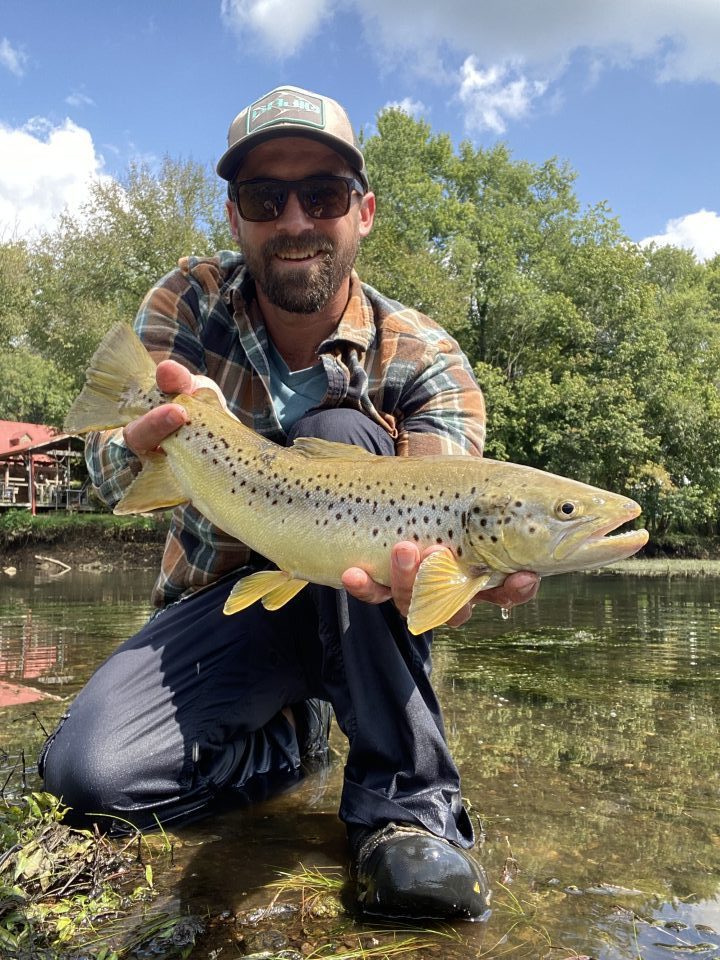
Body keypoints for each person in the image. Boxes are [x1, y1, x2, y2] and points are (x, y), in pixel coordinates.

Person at [39, 85, 539, 920]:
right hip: (224, 608)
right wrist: (136, 441)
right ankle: (290, 737)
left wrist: (464, 583)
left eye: (324, 194)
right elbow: (102, 478)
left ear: (365, 212)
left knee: (345, 430)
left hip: (362, 609)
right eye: (266, 198)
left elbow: (444, 528)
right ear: (236, 218)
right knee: (89, 782)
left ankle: (406, 812)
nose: (296, 218)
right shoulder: (187, 305)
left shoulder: (426, 359)